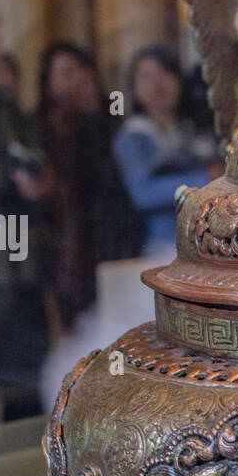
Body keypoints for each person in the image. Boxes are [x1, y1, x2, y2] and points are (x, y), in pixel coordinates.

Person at [38, 41, 144, 331]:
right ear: (49, 85)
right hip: (70, 253)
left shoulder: (113, 118)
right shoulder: (43, 130)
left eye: (81, 69)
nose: (78, 78)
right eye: (66, 72)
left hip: (116, 242)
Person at [113, 46, 219, 258]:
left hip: (211, 240)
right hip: (165, 244)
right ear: (134, 88)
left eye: (165, 73)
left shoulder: (197, 131)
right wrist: (205, 178)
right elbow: (144, 194)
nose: (157, 84)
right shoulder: (133, 136)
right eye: (146, 77)